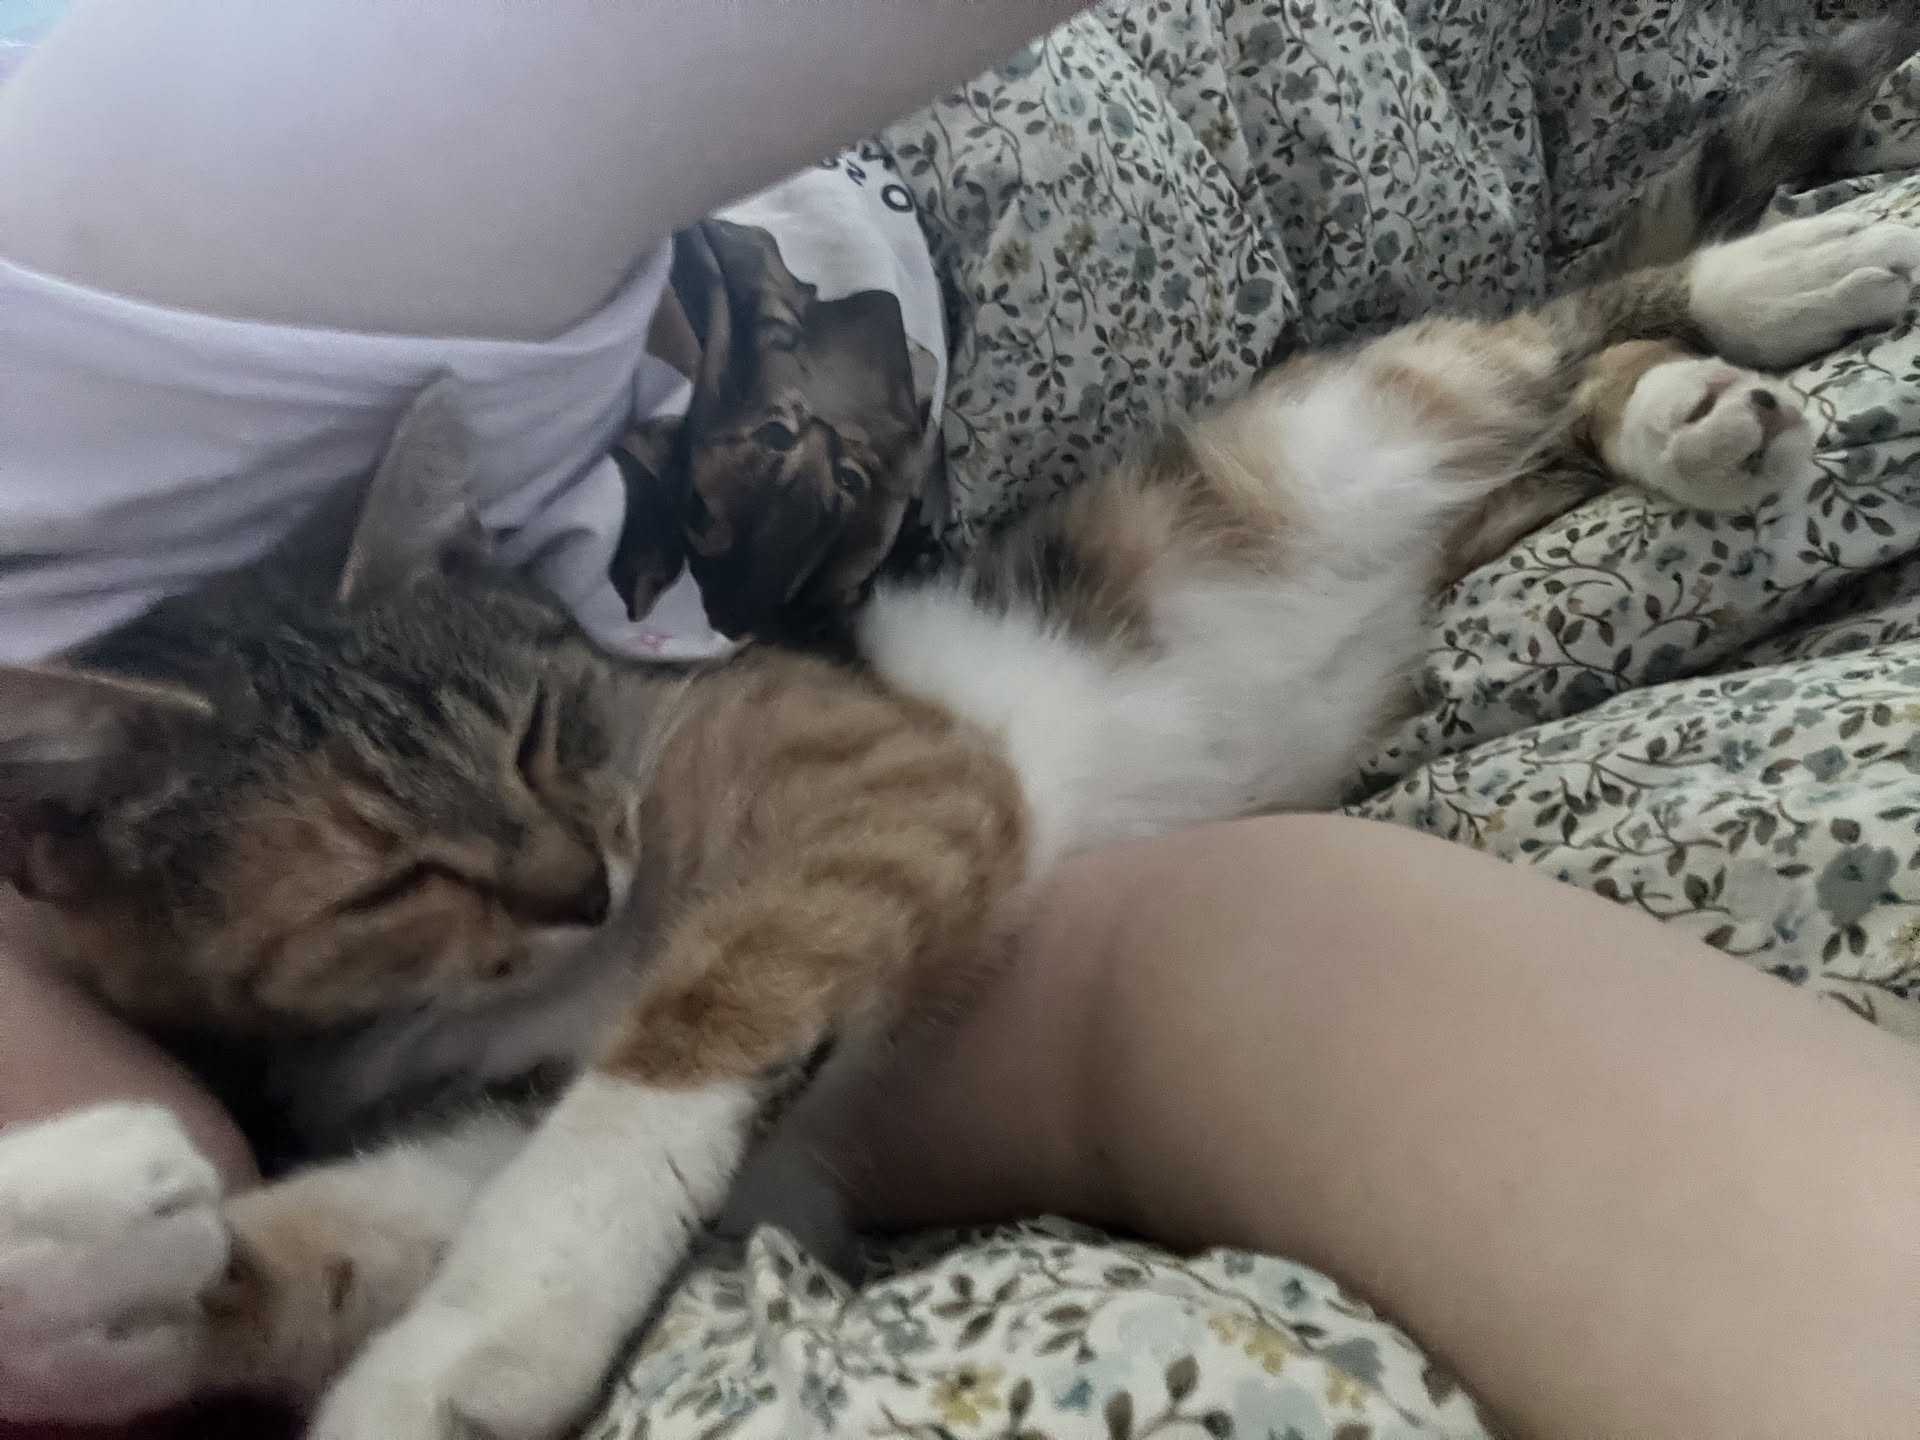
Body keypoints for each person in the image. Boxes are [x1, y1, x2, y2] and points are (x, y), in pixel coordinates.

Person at [1, 5, 1917, 1440]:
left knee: (1344, 449)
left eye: (544, 767)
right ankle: (1607, 390)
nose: (573, 875)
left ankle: (1626, 329)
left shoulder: (149, 277)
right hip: (1148, 893)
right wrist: (184, 1305)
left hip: (1074, 632)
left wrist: (590, 1188)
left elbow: (913, 815)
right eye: (400, 878)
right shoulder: (276, 992)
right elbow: (426, 1214)